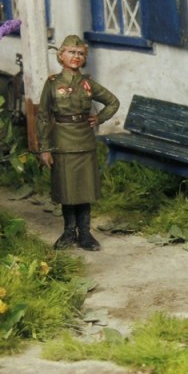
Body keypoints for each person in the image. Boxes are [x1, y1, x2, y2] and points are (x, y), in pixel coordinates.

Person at [37, 35, 120, 251]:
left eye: (80, 53)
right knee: (67, 190)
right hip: (62, 142)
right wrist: (44, 148)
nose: (76, 57)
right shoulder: (53, 83)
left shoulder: (88, 83)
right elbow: (43, 116)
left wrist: (99, 118)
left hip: (85, 142)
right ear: (61, 55)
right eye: (72, 52)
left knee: (84, 189)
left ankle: (85, 233)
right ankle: (68, 232)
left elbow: (113, 102)